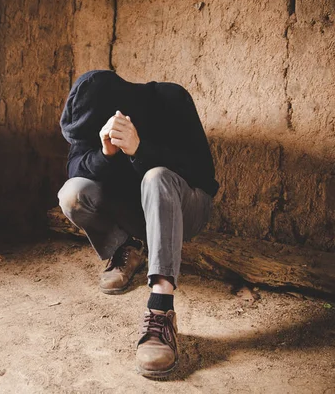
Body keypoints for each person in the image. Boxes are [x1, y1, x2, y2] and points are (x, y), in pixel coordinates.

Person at [57, 70, 218, 378]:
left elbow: (203, 175)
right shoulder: (91, 113)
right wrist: (106, 153)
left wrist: (140, 150)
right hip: (137, 214)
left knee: (156, 176)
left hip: (187, 210)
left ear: (120, 113)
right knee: (72, 194)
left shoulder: (171, 99)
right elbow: (74, 168)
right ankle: (126, 247)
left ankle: (161, 312)